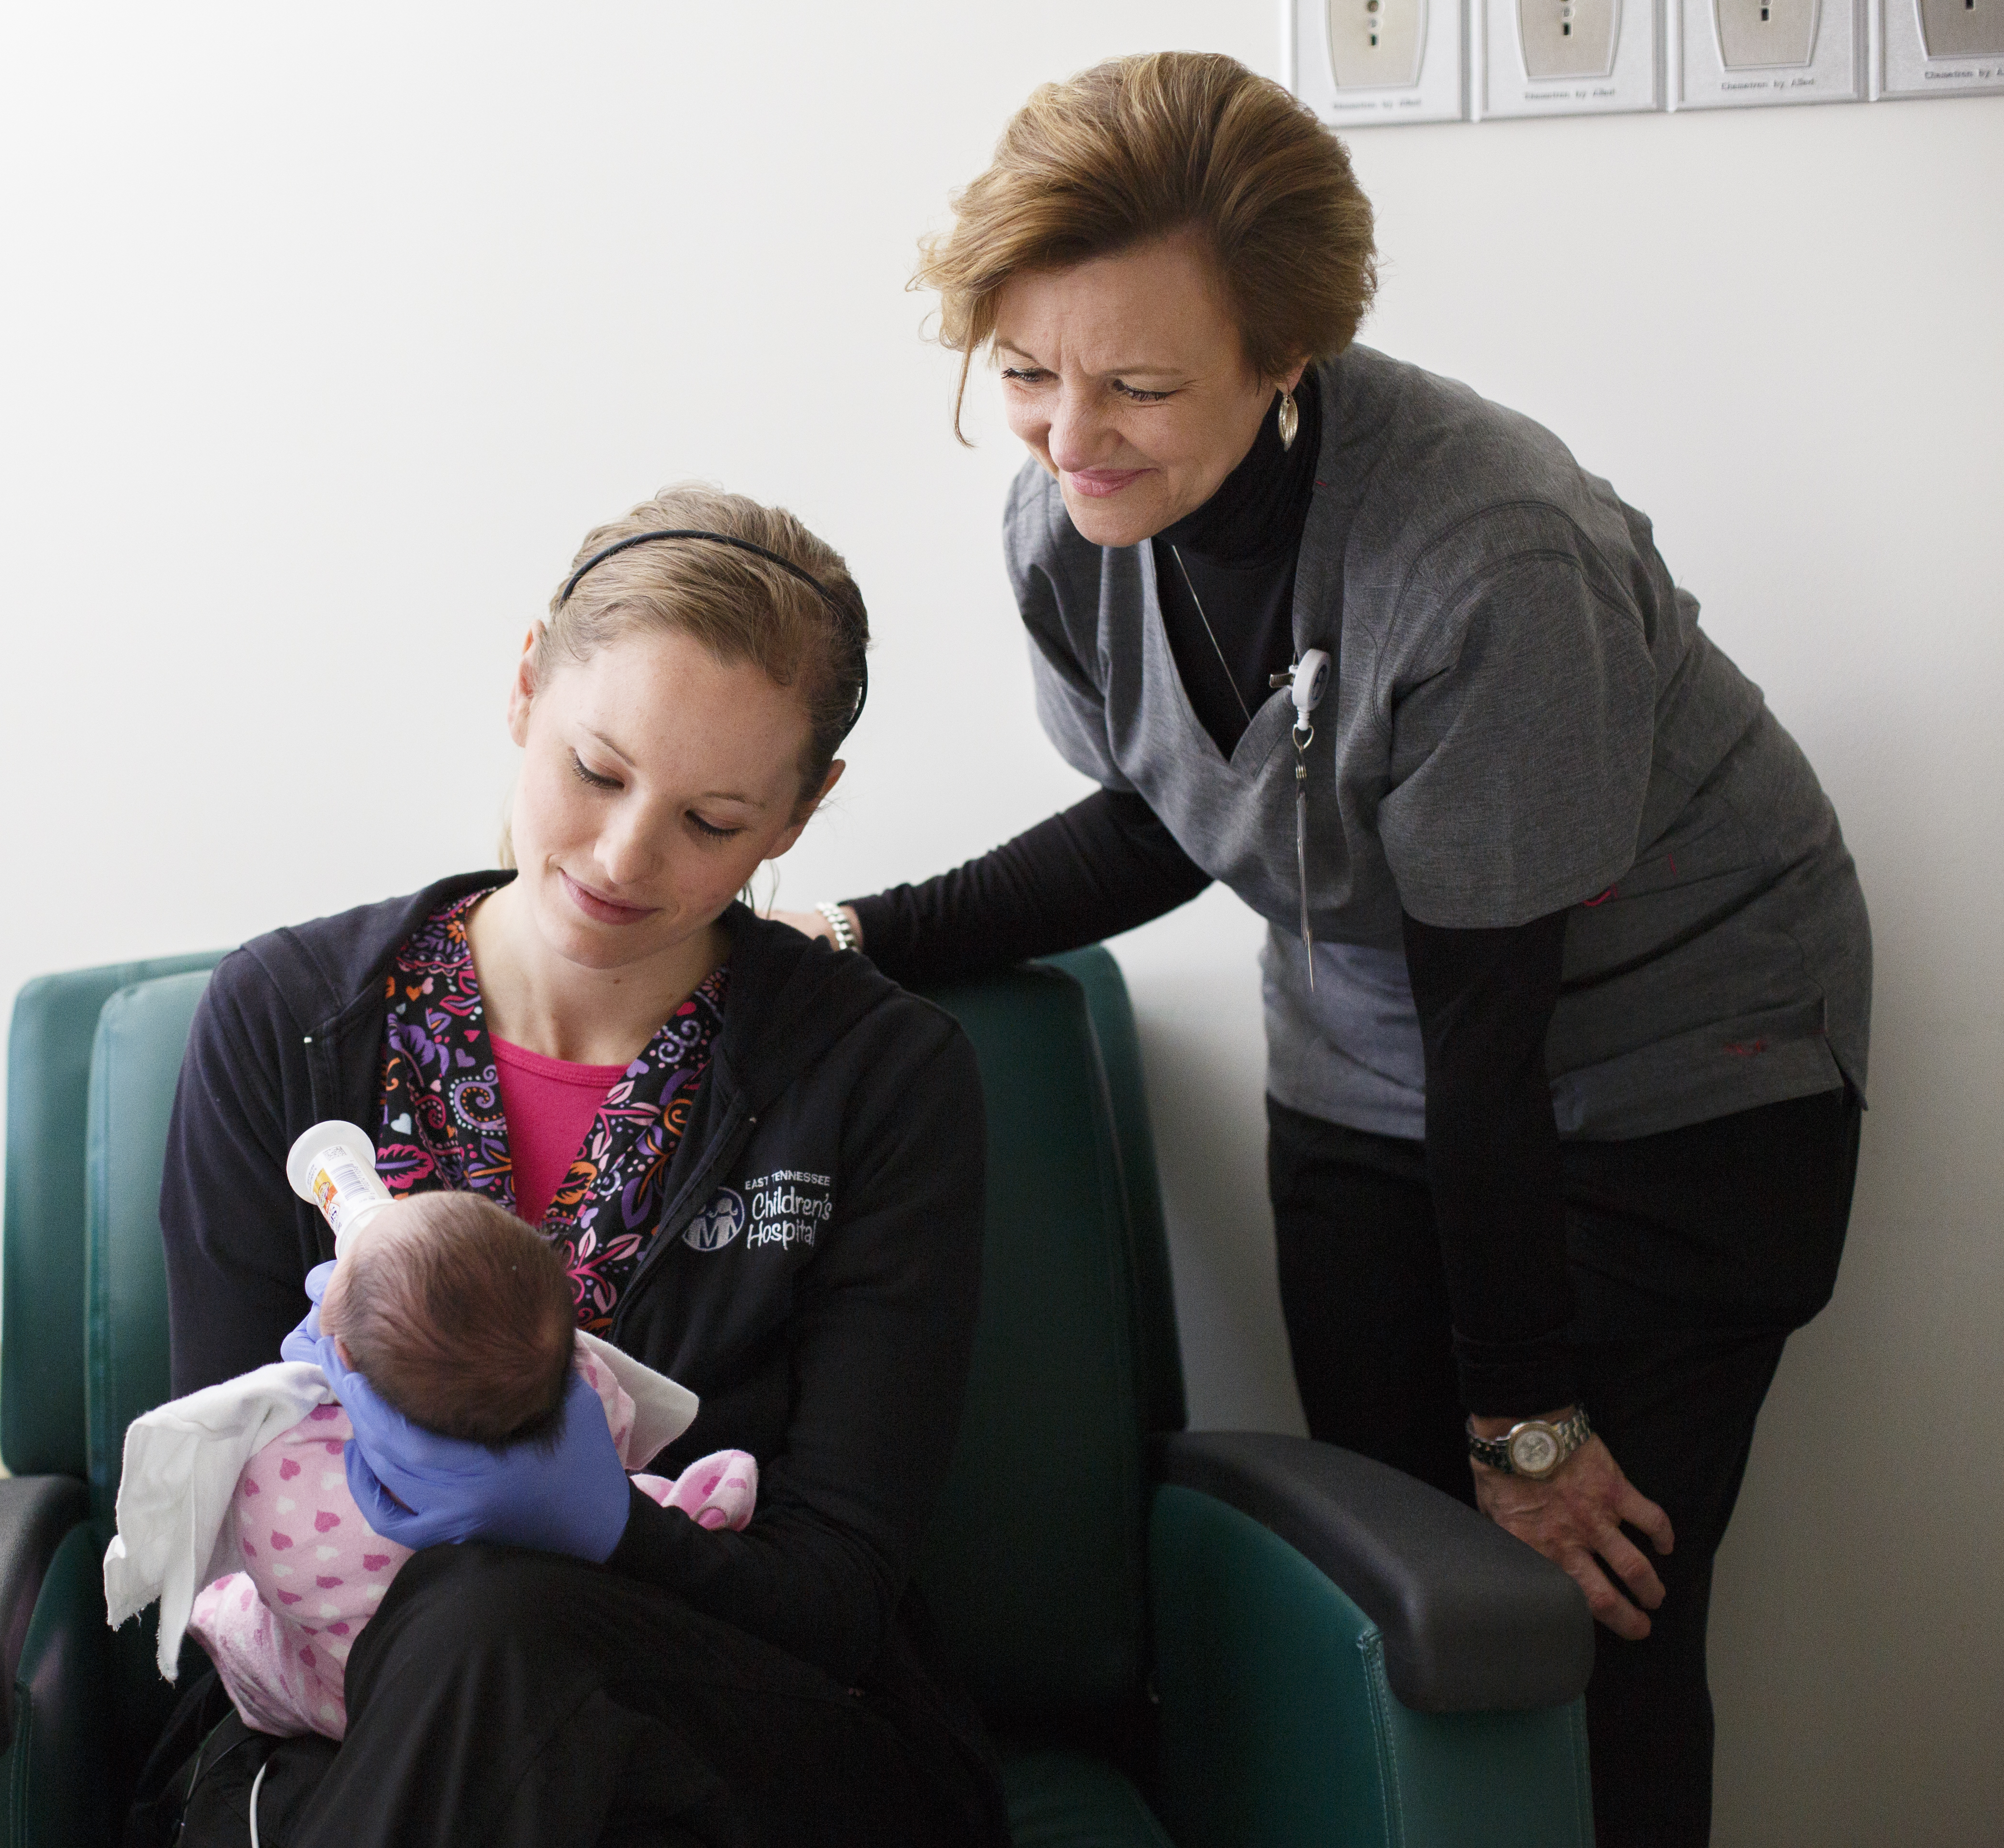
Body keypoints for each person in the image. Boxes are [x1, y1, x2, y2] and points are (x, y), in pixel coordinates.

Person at [780, 53, 1868, 1848]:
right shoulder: (1068, 520)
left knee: (1581, 1613)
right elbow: (1172, 809)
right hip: (1377, 1045)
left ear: (1289, 357)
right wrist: (860, 937)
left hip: (1687, 1080)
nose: (1070, 437)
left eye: (1138, 384)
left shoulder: (1484, 555)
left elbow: (1493, 1031)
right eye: (1029, 374)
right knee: (1393, 1599)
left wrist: (1527, 1427)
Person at [146, 485, 1009, 1847]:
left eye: (712, 822)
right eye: (597, 772)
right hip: (336, 1723)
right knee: (467, 1633)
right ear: (527, 682)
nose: (623, 857)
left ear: (801, 813)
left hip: (741, 1736)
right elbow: (211, 1497)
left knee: (493, 1617)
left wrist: (612, 1529)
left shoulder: (880, 1080)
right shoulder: (290, 1021)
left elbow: (839, 1591)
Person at [105, 1189, 758, 1744]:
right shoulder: (584, 1393)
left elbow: (276, 1576)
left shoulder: (285, 1475)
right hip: (543, 1678)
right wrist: (624, 1516)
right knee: (624, 1504)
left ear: (346, 1362)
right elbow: (611, 1449)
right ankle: (677, 1507)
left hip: (349, 1694)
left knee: (243, 1616)